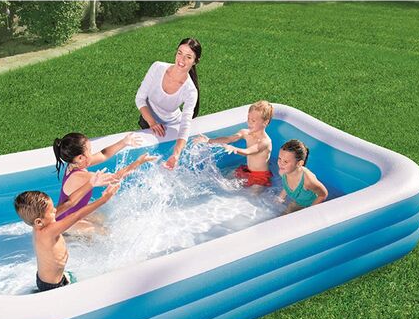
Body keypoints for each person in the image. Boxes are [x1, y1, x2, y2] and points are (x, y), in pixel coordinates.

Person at [14, 184, 120, 292]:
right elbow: (77, 216)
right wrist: (103, 200)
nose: (55, 210)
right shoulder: (48, 232)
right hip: (52, 286)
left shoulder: (41, 224)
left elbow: (69, 203)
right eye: (51, 211)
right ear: (38, 221)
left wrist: (91, 183)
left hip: (52, 278)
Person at [53, 132, 157, 232]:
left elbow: (104, 154)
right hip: (66, 222)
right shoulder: (80, 176)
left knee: (104, 220)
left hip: (74, 212)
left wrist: (124, 142)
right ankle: (69, 236)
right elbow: (116, 178)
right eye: (89, 151)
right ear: (80, 157)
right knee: (105, 232)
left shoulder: (76, 163)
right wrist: (138, 162)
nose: (91, 153)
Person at [135, 37, 202, 170]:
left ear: (195, 61)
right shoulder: (157, 67)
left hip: (172, 125)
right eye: (179, 53)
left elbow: (185, 125)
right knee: (147, 162)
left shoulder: (190, 90)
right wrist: (152, 122)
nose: (181, 60)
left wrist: (176, 155)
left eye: (188, 57)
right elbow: (140, 98)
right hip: (148, 119)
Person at [194, 100, 274, 188]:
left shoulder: (265, 142)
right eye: (248, 119)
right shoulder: (245, 133)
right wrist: (209, 140)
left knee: (253, 193)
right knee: (224, 181)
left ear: (265, 122)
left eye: (253, 121)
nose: (249, 122)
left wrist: (234, 149)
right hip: (247, 170)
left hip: (260, 176)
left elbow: (248, 151)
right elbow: (228, 139)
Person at [277, 139, 328, 212]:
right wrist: (280, 198)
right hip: (298, 201)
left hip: (309, 204)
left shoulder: (308, 181)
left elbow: (323, 194)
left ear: (299, 163)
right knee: (282, 216)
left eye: (285, 161)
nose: (280, 163)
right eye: (279, 158)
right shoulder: (283, 171)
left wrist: (310, 211)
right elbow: (286, 185)